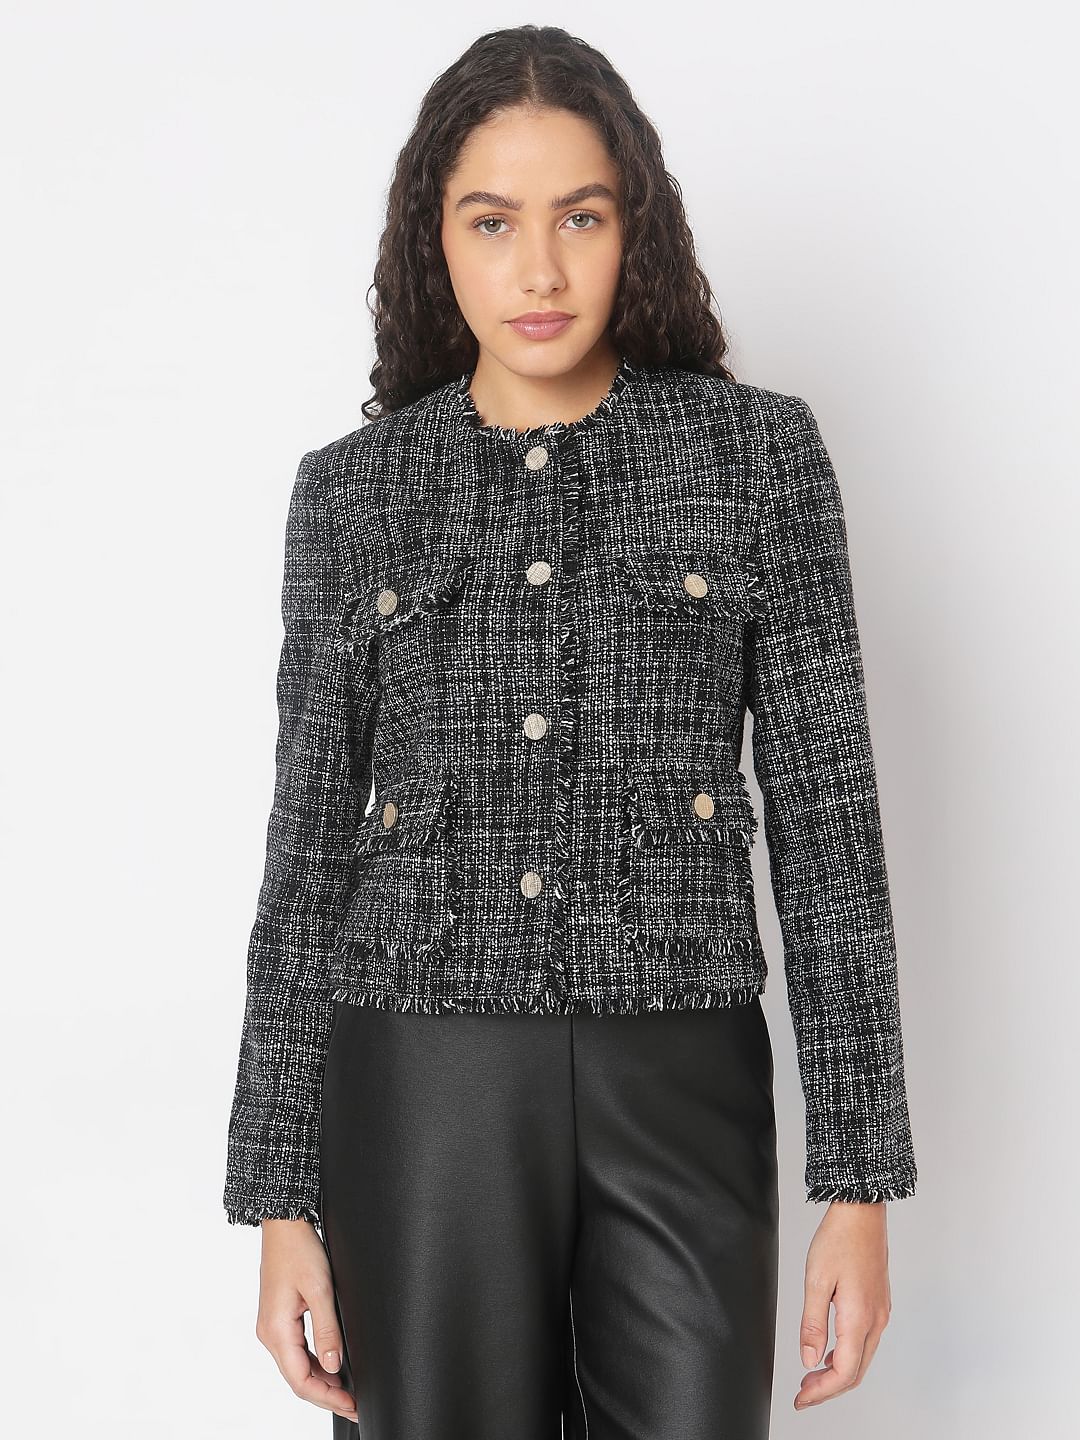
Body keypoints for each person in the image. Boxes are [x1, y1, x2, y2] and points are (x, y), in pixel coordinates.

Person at [223, 23, 918, 1438]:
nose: (538, 271)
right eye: (492, 222)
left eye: (580, 217)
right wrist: (281, 1196)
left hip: (684, 1075)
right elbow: (306, 855)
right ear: (434, 240)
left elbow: (830, 829)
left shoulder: (757, 459)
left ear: (634, 228)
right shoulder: (354, 493)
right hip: (420, 1084)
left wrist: (860, 1183)